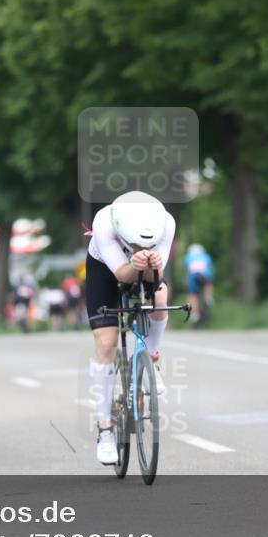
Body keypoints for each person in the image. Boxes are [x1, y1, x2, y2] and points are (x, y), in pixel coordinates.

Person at [85, 191, 175, 465]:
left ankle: (153, 357)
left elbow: (155, 279)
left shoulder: (167, 223)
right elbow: (122, 275)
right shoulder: (104, 222)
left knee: (159, 298)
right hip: (106, 269)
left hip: (143, 270)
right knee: (107, 343)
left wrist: (152, 267)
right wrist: (137, 264)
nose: (140, 247)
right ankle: (105, 429)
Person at [184, 243, 214, 326]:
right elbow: (210, 268)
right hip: (204, 275)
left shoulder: (188, 257)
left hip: (193, 276)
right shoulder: (206, 256)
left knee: (192, 294)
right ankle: (208, 296)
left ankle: (194, 313)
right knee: (208, 282)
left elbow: (187, 270)